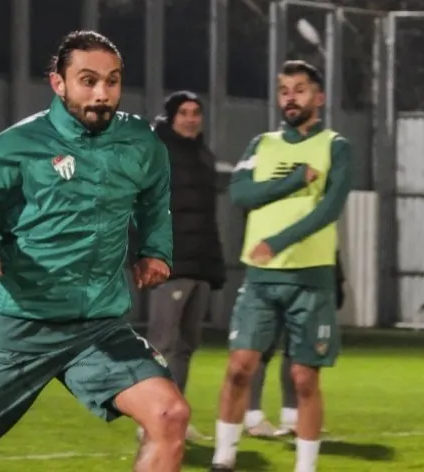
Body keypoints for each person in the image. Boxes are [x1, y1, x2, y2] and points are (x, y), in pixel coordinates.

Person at [0, 30, 189, 472]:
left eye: (112, 81)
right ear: (58, 83)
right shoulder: (20, 144)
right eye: (88, 80)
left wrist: (155, 249)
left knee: (170, 415)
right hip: (20, 328)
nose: (102, 93)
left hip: (98, 327)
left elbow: (155, 197)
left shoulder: (139, 140)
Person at [209, 60, 353, 472]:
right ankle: (223, 458)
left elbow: (329, 210)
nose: (290, 98)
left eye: (300, 90)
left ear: (319, 98)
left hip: (311, 279)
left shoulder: (336, 146)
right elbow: (240, 194)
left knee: (304, 378)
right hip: (260, 280)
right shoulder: (261, 144)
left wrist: (277, 241)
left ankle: (305, 467)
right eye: (284, 90)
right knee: (239, 368)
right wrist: (294, 180)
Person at [140, 91, 227, 441]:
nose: (191, 119)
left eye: (196, 113)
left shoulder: (204, 155)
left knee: (186, 346)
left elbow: (208, 219)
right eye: (184, 113)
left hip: (199, 264)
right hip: (170, 263)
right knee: (163, 344)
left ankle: (174, 415)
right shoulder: (155, 151)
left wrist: (214, 266)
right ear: (171, 117)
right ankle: (150, 420)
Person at [243, 252, 346, 438]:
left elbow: (328, 247)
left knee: (298, 350)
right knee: (262, 348)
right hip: (272, 277)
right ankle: (253, 416)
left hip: (311, 280)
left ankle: (292, 415)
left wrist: (337, 280)